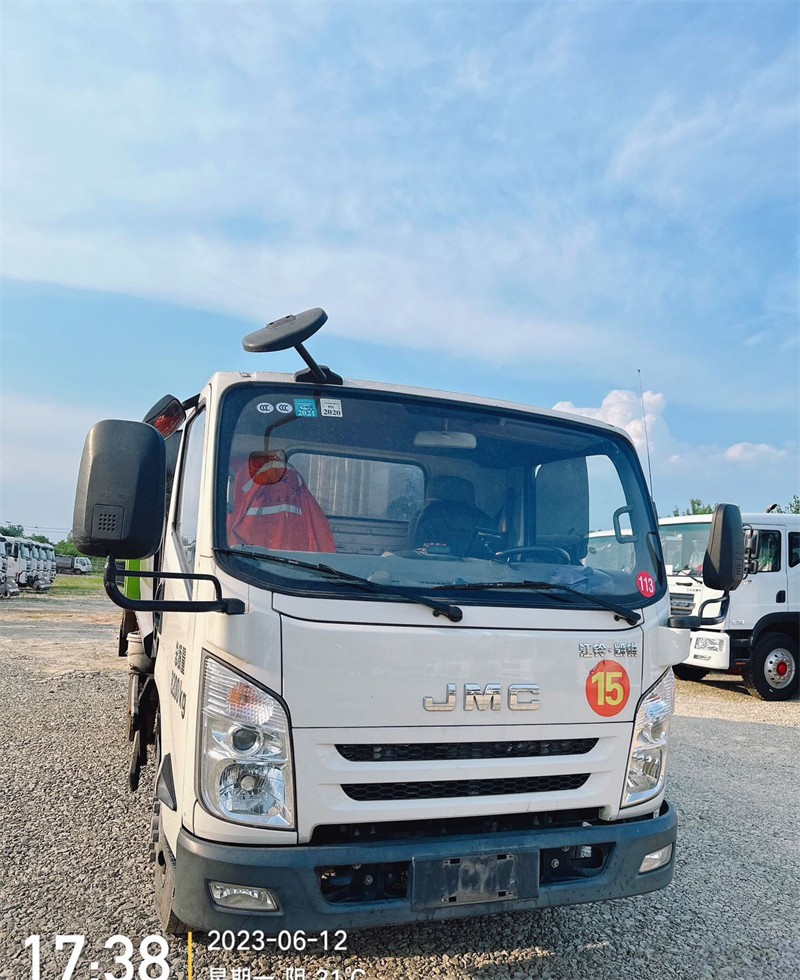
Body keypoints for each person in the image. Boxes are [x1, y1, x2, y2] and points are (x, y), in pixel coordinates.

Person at [227, 450, 335, 553]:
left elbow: (228, 524)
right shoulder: (293, 477)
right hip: (293, 560)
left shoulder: (235, 476)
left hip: (246, 558)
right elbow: (320, 533)